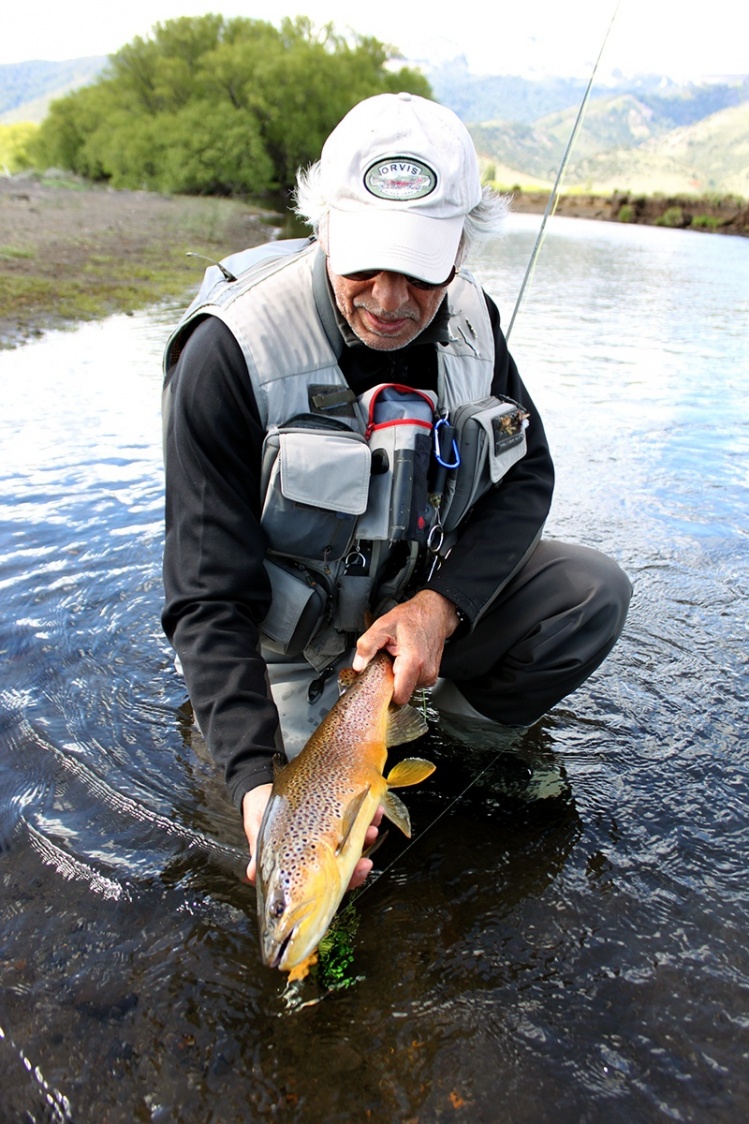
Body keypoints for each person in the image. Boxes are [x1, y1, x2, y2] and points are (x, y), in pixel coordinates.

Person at [162, 92, 631, 890]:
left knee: (588, 595)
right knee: (292, 868)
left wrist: (439, 607)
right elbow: (205, 599)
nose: (388, 299)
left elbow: (529, 479)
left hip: (411, 644)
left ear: (459, 246)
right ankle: (283, 754)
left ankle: (454, 746)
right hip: (280, 661)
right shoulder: (228, 350)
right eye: (364, 263)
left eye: (420, 269)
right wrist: (252, 783)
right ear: (324, 227)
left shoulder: (475, 320)